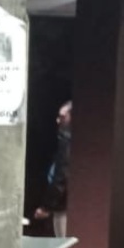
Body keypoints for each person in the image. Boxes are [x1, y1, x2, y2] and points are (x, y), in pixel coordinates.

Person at [34, 100, 72, 237]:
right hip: (62, 204)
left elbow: (61, 176)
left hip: (64, 205)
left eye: (62, 117)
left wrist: (47, 206)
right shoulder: (65, 140)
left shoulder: (68, 142)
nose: (58, 121)